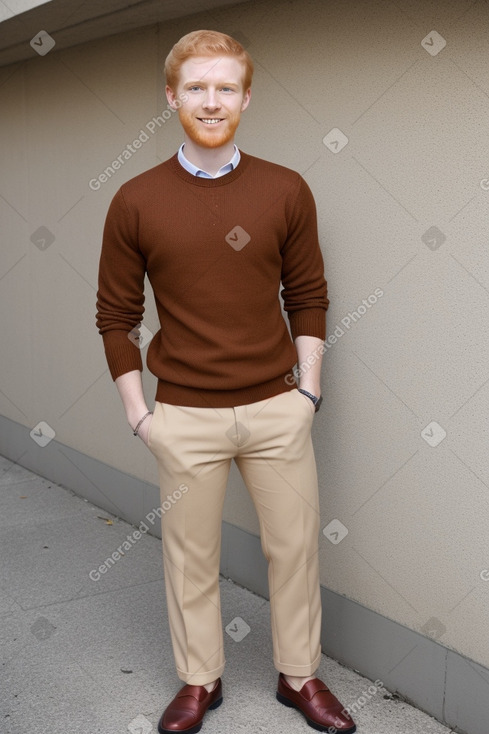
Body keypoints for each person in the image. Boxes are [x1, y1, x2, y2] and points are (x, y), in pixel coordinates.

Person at [96, 29, 356, 734]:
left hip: (278, 407)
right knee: (189, 556)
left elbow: (308, 295)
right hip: (183, 413)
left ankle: (298, 675)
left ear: (246, 96)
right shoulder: (135, 199)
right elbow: (117, 316)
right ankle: (198, 681)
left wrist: (307, 393)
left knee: (295, 547)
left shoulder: (284, 189)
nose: (211, 102)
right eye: (197, 87)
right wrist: (138, 415)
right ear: (172, 95)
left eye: (226, 88)